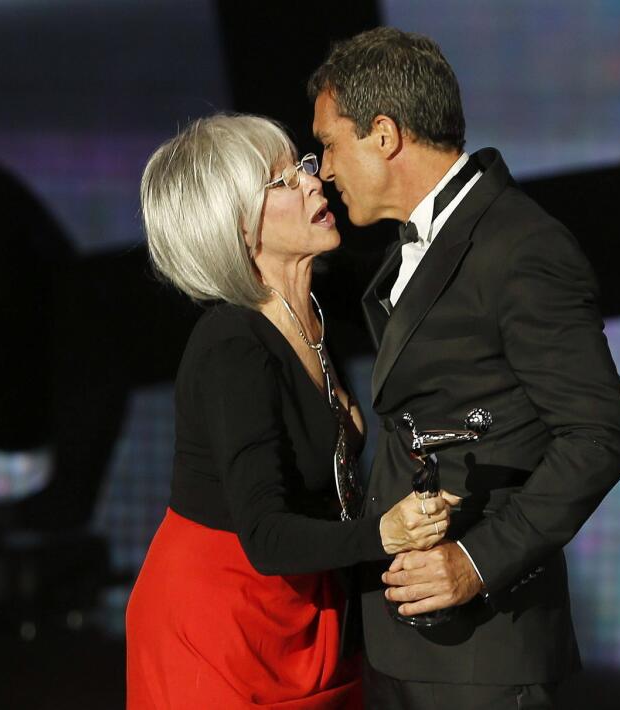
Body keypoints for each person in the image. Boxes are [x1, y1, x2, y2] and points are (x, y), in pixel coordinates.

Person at [308, 28, 620, 709]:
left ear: (383, 134)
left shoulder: (521, 246)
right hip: (411, 643)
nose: (325, 170)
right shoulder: (420, 244)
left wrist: (476, 563)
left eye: (329, 145)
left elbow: (598, 436)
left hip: (486, 652)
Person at [126, 114, 462, 709]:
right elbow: (264, 535)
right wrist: (384, 533)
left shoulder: (315, 313)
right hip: (221, 627)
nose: (313, 183)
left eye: (303, 167)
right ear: (234, 227)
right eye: (281, 182)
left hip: (305, 612)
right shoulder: (233, 345)